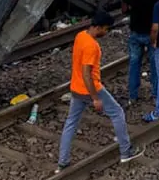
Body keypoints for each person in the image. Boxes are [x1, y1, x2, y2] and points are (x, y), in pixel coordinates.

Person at [57, 12, 142, 168]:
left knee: (71, 122)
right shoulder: (92, 46)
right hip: (90, 88)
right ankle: (126, 152)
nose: (106, 32)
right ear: (98, 27)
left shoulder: (80, 36)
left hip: (75, 88)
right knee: (117, 113)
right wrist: (95, 98)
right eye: (106, 29)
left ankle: (63, 160)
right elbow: (86, 73)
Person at [120, 0, 159, 105]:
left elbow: (124, 8)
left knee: (134, 64)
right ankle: (156, 94)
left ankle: (133, 95)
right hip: (153, 33)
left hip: (136, 31)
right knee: (155, 65)